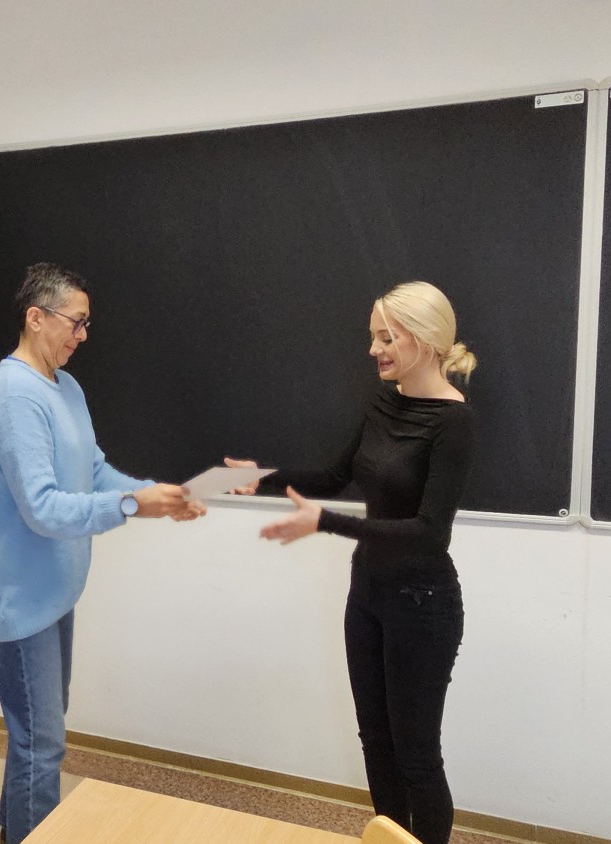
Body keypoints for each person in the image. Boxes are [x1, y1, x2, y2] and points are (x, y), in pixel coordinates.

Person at [228, 280, 477, 844]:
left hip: (422, 605)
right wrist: (261, 478)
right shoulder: (383, 401)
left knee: (416, 755)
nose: (373, 349)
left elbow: (428, 533)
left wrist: (325, 522)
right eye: (373, 336)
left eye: (386, 338)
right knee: (377, 743)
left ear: (425, 340)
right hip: (367, 596)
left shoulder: (454, 423)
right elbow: (335, 476)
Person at [0, 262, 204, 843]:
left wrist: (154, 496)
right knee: (42, 741)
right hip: (22, 595)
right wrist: (131, 505)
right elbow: (43, 508)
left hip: (56, 589)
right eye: (75, 322)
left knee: (36, 728)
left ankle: (12, 826)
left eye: (85, 323)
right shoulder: (15, 396)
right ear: (35, 318)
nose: (82, 335)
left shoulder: (65, 388)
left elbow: (93, 471)